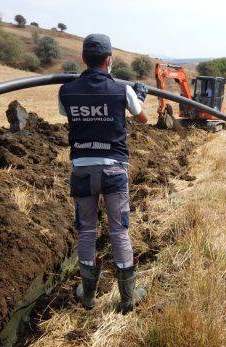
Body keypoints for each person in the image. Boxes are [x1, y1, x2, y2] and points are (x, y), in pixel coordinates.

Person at [58, 34, 148, 313]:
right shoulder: (122, 90)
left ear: (84, 59)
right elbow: (142, 118)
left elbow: (67, 114)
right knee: (119, 231)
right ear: (109, 59)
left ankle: (88, 297)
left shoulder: (66, 91)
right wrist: (139, 96)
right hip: (114, 171)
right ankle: (127, 300)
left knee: (86, 231)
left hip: (82, 171)